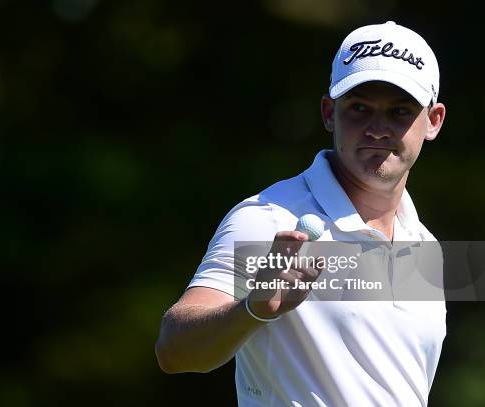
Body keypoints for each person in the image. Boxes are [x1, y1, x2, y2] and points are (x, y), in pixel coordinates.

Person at [155, 21, 447, 406]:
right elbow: (173, 351)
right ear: (329, 112)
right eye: (359, 108)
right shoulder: (269, 217)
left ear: (433, 120)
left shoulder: (428, 246)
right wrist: (252, 310)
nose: (377, 129)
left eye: (399, 111)